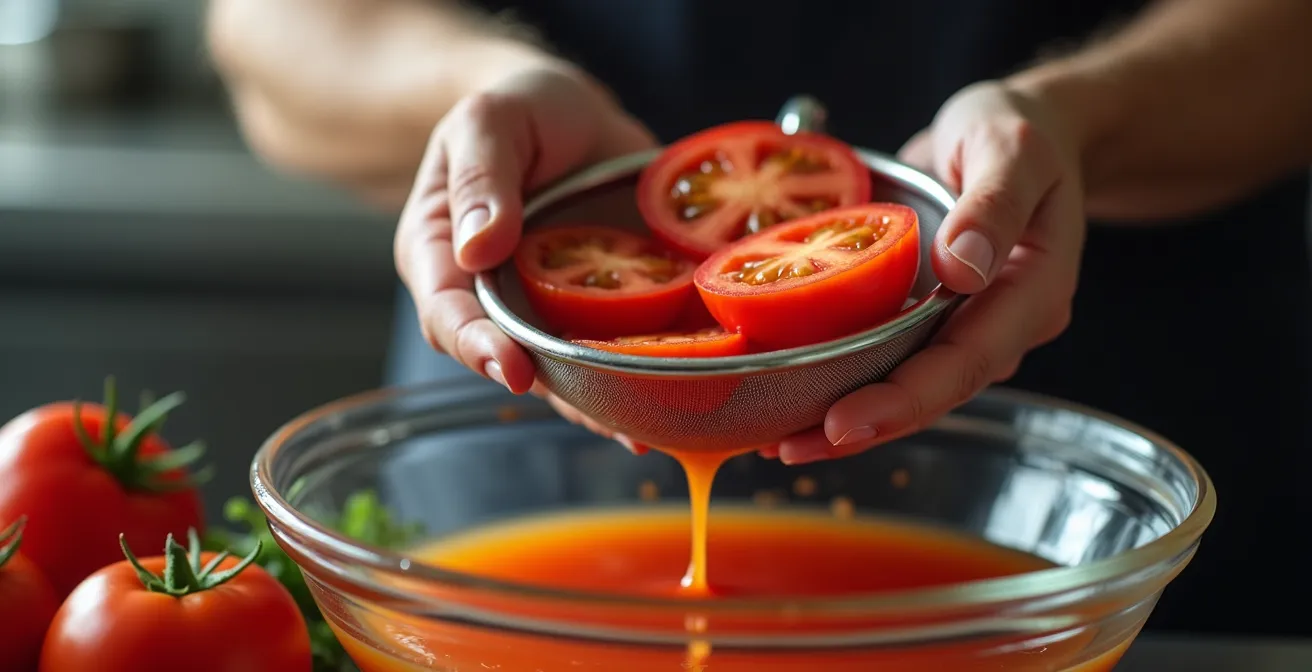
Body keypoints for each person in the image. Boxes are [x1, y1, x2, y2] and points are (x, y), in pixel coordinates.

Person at [206, 0, 1312, 636]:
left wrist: (1076, 117)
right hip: (505, 472)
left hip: (1081, 500)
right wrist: (473, 90)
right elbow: (270, 30)